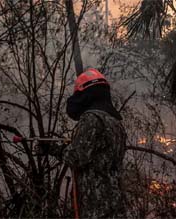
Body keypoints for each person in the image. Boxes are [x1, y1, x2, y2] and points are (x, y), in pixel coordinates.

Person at [56, 68, 127, 218]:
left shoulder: (91, 119)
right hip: (115, 204)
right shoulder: (115, 122)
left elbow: (76, 157)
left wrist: (56, 150)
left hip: (96, 207)